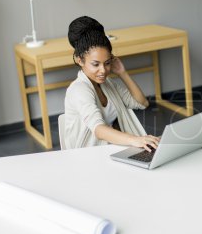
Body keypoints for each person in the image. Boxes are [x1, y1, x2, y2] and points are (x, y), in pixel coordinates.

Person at [64, 16, 160, 150]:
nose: (103, 70)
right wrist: (135, 140)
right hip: (88, 158)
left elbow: (142, 103)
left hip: (110, 150)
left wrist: (122, 73)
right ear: (80, 61)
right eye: (95, 64)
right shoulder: (79, 89)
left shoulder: (107, 84)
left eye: (107, 63)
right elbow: (99, 129)